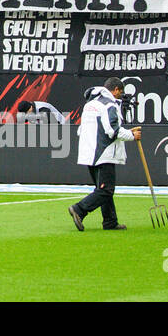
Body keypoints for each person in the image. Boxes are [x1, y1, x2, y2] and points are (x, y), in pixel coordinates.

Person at [68, 77, 140, 231]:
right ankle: (79, 209)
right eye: (120, 93)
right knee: (106, 190)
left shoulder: (91, 104)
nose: (120, 96)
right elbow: (112, 131)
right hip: (103, 153)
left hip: (89, 152)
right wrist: (132, 136)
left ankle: (110, 222)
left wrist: (127, 131)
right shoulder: (109, 104)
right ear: (115, 90)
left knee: (103, 189)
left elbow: (83, 129)